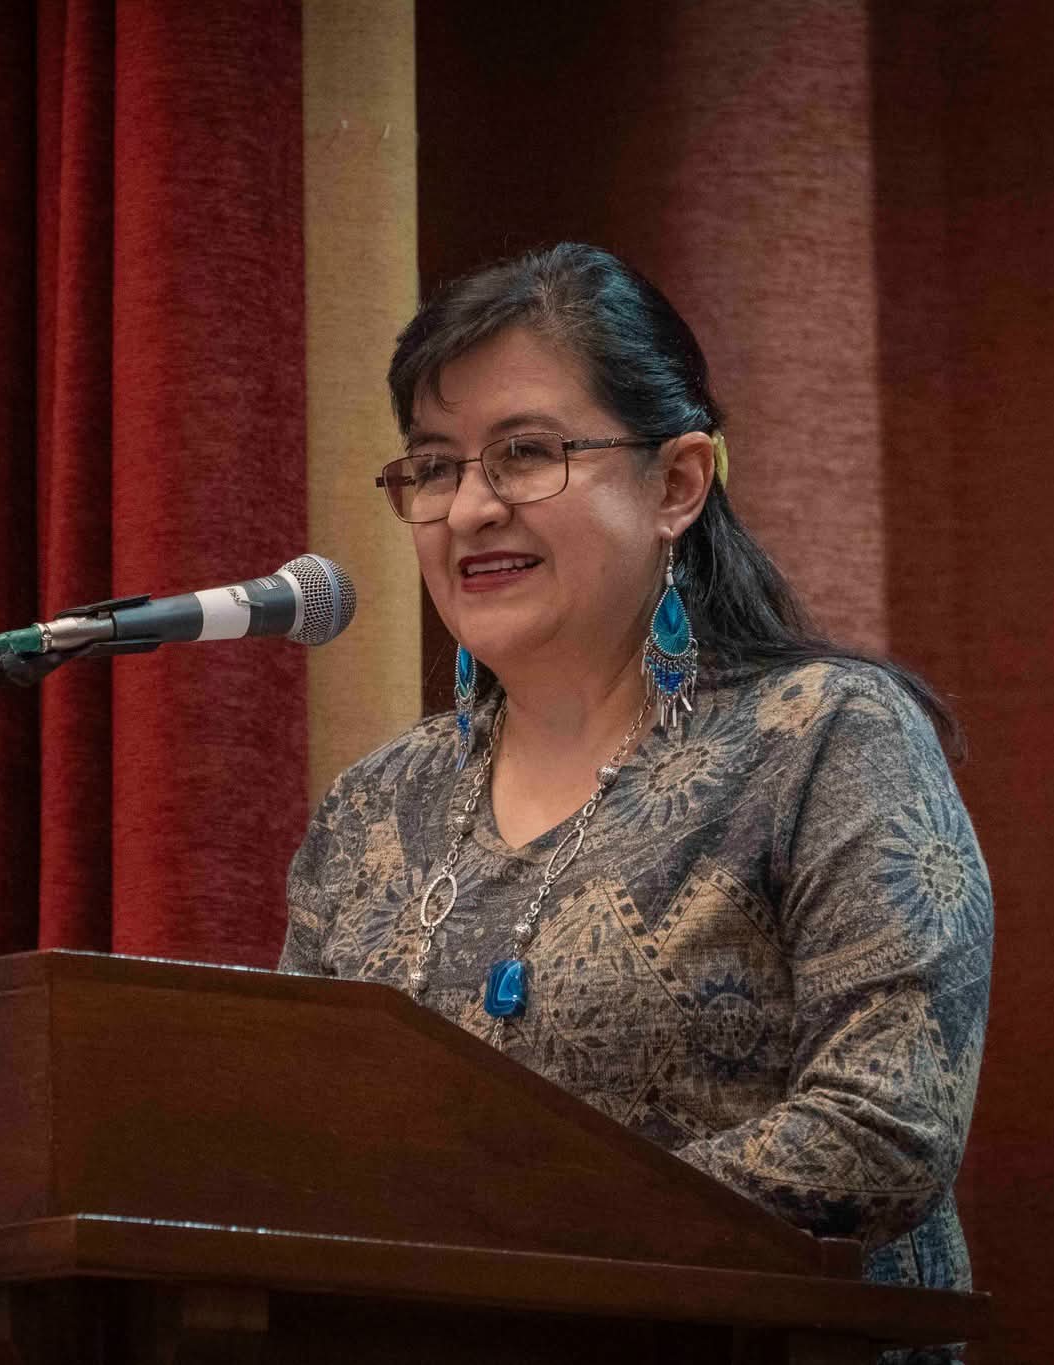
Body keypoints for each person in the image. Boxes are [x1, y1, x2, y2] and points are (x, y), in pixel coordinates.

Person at [280, 244, 993, 1341]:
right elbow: (294, 1151)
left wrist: (499, 1243)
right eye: (432, 467)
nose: (468, 509)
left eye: (524, 453)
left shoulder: (822, 738)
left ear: (676, 483)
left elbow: (884, 1130)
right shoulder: (372, 810)